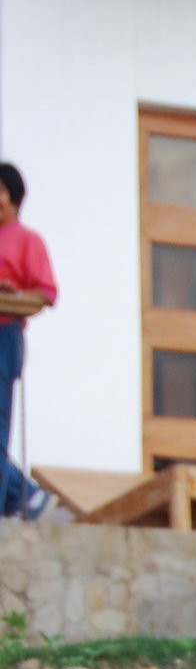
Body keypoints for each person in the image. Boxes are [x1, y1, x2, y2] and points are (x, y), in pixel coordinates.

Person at [0, 163, 58, 519]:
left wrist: (13, 293)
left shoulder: (27, 239)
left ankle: (23, 497)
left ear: (13, 196)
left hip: (4, 335)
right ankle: (27, 496)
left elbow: (46, 293)